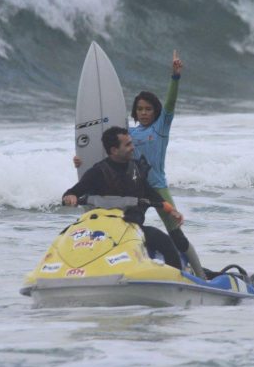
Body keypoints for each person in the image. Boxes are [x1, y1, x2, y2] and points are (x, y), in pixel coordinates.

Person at [74, 50, 207, 279]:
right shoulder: (128, 134)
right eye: (140, 109)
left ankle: (200, 276)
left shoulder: (160, 128)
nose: (144, 113)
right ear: (134, 112)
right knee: (127, 228)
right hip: (136, 189)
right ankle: (123, 268)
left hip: (158, 187)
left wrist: (175, 77)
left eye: (148, 109)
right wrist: (81, 161)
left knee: (177, 235)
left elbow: (171, 103)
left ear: (155, 111)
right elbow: (109, 152)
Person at [63, 126, 184, 270]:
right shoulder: (98, 171)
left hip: (132, 227)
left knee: (165, 242)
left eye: (131, 143)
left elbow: (150, 193)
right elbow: (73, 192)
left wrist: (171, 210)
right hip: (104, 230)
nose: (133, 148)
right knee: (66, 235)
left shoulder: (136, 168)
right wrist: (69, 197)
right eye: (128, 145)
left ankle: (178, 279)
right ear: (114, 150)